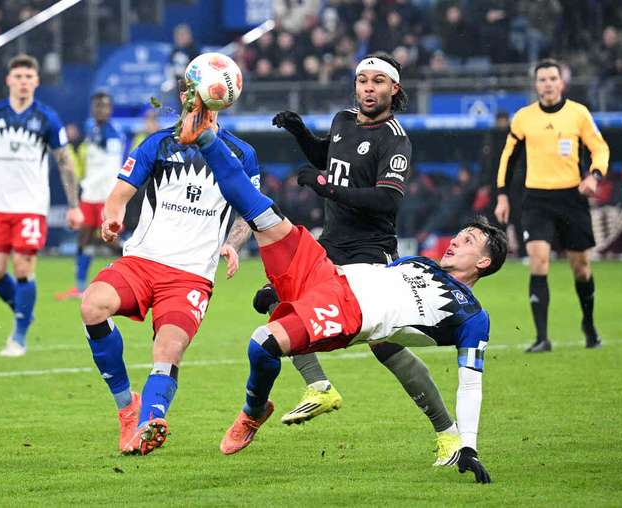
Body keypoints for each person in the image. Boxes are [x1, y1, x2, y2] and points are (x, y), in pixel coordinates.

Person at [175, 106, 504, 483]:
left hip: (348, 311)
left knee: (262, 343)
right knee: (261, 211)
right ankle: (205, 138)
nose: (455, 242)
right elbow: (369, 276)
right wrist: (291, 286)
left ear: (483, 262)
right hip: (329, 271)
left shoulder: (472, 316)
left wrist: (470, 445)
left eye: (468, 242)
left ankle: (254, 411)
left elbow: (471, 382)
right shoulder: (419, 263)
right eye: (459, 235)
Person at [258, 52, 461, 465]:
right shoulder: (342, 121)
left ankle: (449, 434)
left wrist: (326, 189)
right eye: (362, 80)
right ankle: (319, 387)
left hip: (372, 252)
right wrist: (300, 133)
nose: (369, 88)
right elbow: (329, 159)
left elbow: (387, 200)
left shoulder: (396, 138)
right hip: (332, 245)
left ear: (394, 89)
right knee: (280, 305)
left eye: (378, 82)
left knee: (384, 346)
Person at [78, 79, 255, 456]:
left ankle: (150, 422)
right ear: (183, 97)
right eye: (190, 91)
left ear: (221, 98)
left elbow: (249, 213)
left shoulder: (241, 153)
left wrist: (233, 243)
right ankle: (128, 408)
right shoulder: (157, 144)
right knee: (92, 305)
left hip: (191, 274)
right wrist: (112, 219)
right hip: (142, 261)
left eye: (204, 91)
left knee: (169, 348)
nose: (197, 99)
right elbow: (118, 196)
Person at [0, 54, 83, 357]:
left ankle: (19, 337)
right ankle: (24, 310)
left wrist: (74, 204)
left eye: (29, 77)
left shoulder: (47, 118)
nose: (23, 82)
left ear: (37, 81)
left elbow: (65, 162)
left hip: (30, 205)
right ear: (8, 81)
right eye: (18, 77)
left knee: (24, 267)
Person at [495, 59, 610, 353]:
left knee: (581, 268)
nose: (547, 83)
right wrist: (502, 195)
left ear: (562, 82)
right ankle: (542, 337)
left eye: (552, 78)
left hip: (572, 198)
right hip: (536, 200)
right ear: (536, 84)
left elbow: (600, 148)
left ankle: (589, 324)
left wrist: (595, 176)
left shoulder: (578, 114)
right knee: (538, 261)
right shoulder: (524, 118)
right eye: (542, 79)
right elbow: (508, 158)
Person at [57, 91, 126, 299]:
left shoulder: (113, 133)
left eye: (104, 106)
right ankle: (79, 288)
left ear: (110, 110)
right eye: (97, 106)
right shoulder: (91, 130)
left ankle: (132, 278)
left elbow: (112, 164)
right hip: (90, 195)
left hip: (106, 197)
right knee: (83, 240)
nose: (100, 110)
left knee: (112, 242)